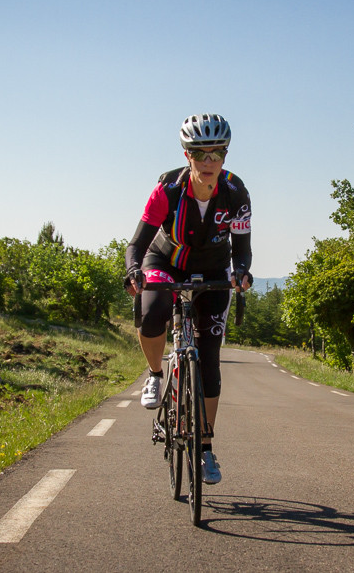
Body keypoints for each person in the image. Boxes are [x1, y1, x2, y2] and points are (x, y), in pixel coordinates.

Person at [125, 113, 252, 485]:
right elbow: (137, 243)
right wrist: (135, 272)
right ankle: (154, 374)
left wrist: (241, 273)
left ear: (225, 156)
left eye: (217, 153)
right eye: (201, 154)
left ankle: (206, 447)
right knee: (153, 313)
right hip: (166, 261)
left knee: (209, 359)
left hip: (213, 271)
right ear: (187, 155)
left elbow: (242, 251)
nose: (209, 162)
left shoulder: (236, 193)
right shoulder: (167, 191)